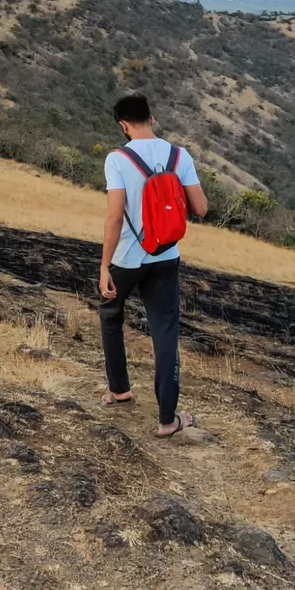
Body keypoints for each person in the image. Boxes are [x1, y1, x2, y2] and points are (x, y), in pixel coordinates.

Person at [98, 93, 208, 437]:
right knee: (165, 331)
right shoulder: (179, 155)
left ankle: (120, 390)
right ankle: (167, 420)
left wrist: (104, 266)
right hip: (165, 257)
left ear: (123, 125)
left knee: (111, 316)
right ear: (153, 118)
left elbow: (115, 216)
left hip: (127, 259)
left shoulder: (117, 159)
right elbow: (201, 208)